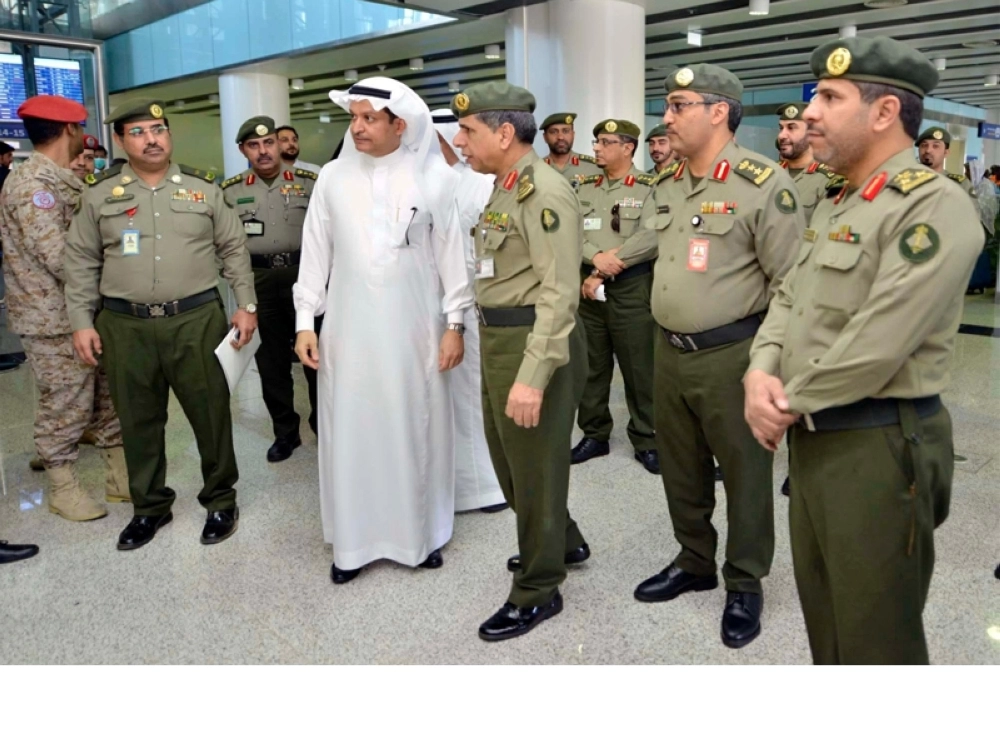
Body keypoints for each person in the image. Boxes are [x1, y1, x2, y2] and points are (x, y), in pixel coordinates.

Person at [745, 36, 983, 665]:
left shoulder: (933, 205)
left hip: (881, 444)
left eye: (829, 97)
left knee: (877, 639)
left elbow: (880, 344)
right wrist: (757, 372)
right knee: (827, 621)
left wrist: (783, 400)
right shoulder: (840, 200)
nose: (810, 112)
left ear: (883, 113)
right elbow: (788, 298)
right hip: (815, 439)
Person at [621, 64, 803, 649]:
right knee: (681, 467)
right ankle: (694, 560)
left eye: (677, 106)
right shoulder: (669, 183)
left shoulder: (762, 183)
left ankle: (745, 581)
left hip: (734, 355)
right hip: (668, 352)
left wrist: (769, 371)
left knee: (746, 477)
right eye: (667, 106)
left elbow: (791, 288)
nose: (666, 117)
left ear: (718, 111)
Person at [293, 78, 473, 584]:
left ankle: (422, 536)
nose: (357, 127)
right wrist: (306, 320)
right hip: (348, 333)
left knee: (415, 427)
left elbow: (452, 260)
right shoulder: (332, 177)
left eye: (369, 118)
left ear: (401, 123)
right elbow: (315, 253)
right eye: (354, 118)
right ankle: (352, 545)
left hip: (415, 331)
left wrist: (454, 324)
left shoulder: (432, 179)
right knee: (351, 431)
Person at [64, 98, 257, 550]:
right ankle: (150, 507)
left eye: (158, 129)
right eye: (138, 132)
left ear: (169, 134)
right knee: (137, 419)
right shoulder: (97, 193)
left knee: (210, 415)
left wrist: (245, 304)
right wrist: (80, 321)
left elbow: (233, 249)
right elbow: (81, 262)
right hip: (124, 324)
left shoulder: (203, 188)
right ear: (119, 139)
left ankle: (220, 500)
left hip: (195, 319)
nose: (151, 139)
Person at [452, 81, 591, 641]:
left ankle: (538, 587)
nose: (459, 141)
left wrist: (533, 377)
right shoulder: (505, 187)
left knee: (532, 472)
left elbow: (561, 293)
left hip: (538, 342)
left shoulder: (544, 192)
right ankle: (563, 538)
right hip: (503, 339)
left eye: (468, 131)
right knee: (513, 468)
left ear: (504, 134)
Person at [0, 94, 129, 522]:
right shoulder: (32, 186)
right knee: (67, 403)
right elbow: (60, 258)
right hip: (53, 319)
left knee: (107, 397)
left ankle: (119, 476)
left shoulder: (63, 179)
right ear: (71, 130)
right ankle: (62, 485)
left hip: (91, 312)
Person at [222, 116, 319, 462]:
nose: (263, 151)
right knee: (272, 363)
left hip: (303, 276)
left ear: (280, 144)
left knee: (316, 357)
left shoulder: (309, 182)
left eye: (269, 143)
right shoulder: (231, 190)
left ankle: (323, 423)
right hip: (258, 280)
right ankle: (285, 432)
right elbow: (222, 243)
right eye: (254, 145)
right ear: (243, 150)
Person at [430, 109, 507, 513]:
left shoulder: (481, 185)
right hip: (431, 306)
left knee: (475, 395)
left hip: (476, 307)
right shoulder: (425, 185)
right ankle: (452, 483)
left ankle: (487, 485)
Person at [573, 118, 659, 474]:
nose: (596, 148)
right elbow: (570, 230)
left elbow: (652, 235)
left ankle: (648, 438)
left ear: (627, 148)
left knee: (640, 367)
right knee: (591, 366)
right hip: (589, 290)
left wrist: (605, 266)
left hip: (631, 287)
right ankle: (595, 434)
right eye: (596, 141)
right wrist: (595, 259)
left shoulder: (650, 186)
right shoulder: (584, 185)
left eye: (605, 142)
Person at [775, 101, 841, 223]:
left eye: (791, 128)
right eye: (781, 128)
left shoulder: (828, 180)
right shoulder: (770, 174)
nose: (782, 135)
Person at [539, 113, 602, 184]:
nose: (560, 137)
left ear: (573, 135)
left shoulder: (593, 167)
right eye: (553, 132)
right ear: (545, 137)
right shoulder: (536, 168)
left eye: (565, 131)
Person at [915, 127, 976, 197]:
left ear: (946, 153)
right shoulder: (906, 181)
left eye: (935, 146)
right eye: (924, 145)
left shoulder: (960, 185)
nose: (928, 150)